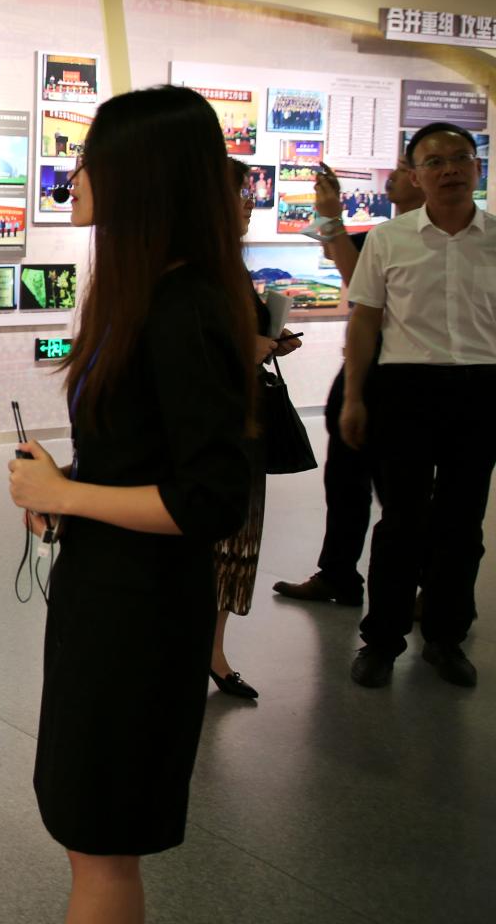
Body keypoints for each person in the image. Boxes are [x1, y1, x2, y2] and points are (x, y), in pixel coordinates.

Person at [8, 85, 253, 924]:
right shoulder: (140, 296)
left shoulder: (185, 310)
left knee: (102, 845)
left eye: (90, 160)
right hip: (105, 595)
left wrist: (68, 492)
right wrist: (66, 500)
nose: (73, 176)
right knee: (89, 833)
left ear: (143, 176)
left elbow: (210, 498)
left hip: (141, 617)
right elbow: (142, 457)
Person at [344, 122, 495, 690]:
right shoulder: (389, 239)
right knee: (402, 522)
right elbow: (364, 321)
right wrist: (354, 397)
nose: (450, 169)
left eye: (461, 157)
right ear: (413, 175)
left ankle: (445, 638)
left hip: (482, 388)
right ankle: (381, 642)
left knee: (463, 523)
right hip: (406, 388)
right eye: (434, 161)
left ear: (477, 166)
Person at [274, 162, 424, 606]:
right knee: (344, 478)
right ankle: (337, 574)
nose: (391, 177)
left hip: (406, 373)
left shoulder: (429, 243)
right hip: (364, 366)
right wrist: (327, 213)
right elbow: (339, 261)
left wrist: (332, 215)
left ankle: (429, 588)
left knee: (402, 490)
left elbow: (359, 285)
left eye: (403, 169)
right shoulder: (383, 236)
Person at [209, 160, 304, 702]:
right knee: (213, 542)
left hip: (243, 423)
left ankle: (213, 651)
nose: (250, 203)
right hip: (214, 430)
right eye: (239, 194)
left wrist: (267, 341)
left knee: (234, 544)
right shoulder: (190, 271)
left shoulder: (229, 265)